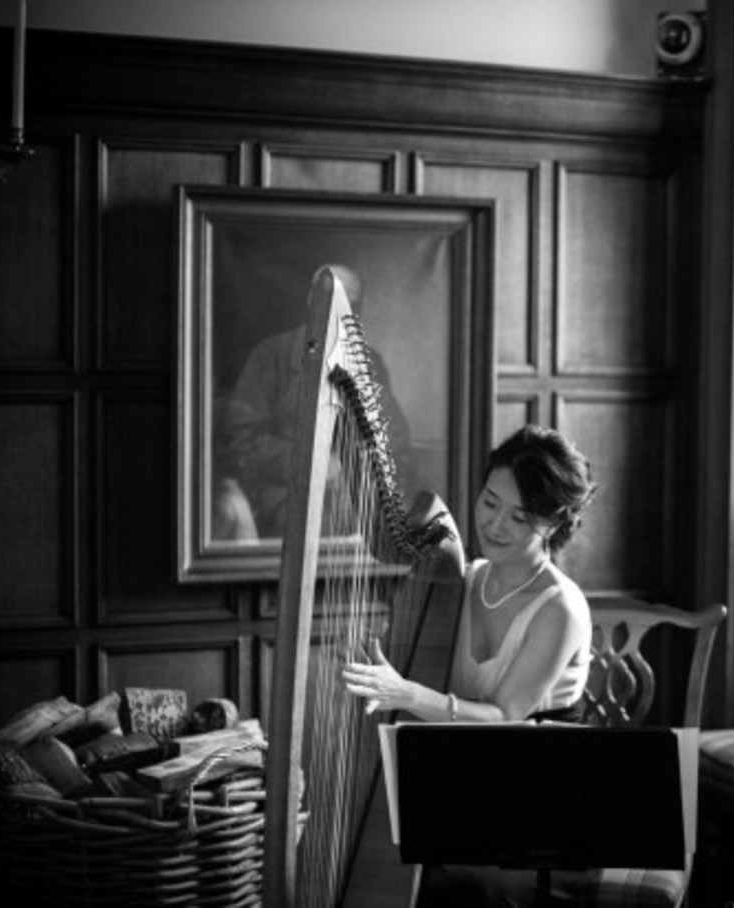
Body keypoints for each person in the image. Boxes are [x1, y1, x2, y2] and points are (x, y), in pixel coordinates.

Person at [341, 424, 597, 906]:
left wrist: (407, 693)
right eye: (490, 502)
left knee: (439, 877)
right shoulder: (462, 579)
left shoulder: (560, 608)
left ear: (555, 522)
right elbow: (402, 673)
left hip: (541, 809)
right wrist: (371, 661)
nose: (495, 525)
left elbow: (503, 718)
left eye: (520, 517)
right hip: (470, 791)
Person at [218, 263, 416, 539]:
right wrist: (316, 465)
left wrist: (358, 470)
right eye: (334, 302)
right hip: (284, 489)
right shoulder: (271, 356)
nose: (345, 312)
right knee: (314, 527)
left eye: (353, 304)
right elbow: (242, 441)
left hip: (353, 490)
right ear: (312, 300)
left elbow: (395, 438)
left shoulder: (368, 361)